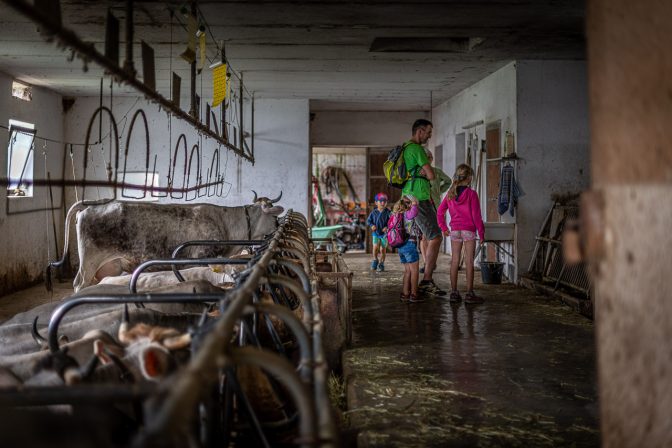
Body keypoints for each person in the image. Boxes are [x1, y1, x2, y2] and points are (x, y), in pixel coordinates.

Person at [401, 119, 446, 297]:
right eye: (428, 132)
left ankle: (410, 287)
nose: (429, 135)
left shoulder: (405, 147)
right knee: (435, 237)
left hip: (408, 196)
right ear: (419, 131)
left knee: (419, 238)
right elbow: (431, 174)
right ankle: (426, 280)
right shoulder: (416, 149)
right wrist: (426, 173)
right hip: (418, 198)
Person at [436, 164, 486, 304]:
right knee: (469, 261)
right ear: (469, 178)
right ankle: (470, 294)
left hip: (455, 231)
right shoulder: (471, 194)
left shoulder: (450, 194)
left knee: (455, 261)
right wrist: (481, 234)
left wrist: (444, 227)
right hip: (468, 230)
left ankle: (454, 293)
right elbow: (476, 216)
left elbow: (440, 212)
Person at [419, 149, 452, 273]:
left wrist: (440, 190)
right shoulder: (421, 173)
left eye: (428, 158)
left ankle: (430, 262)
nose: (427, 160)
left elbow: (449, 181)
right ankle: (427, 262)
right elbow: (448, 181)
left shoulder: (435, 172)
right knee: (425, 237)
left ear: (430, 159)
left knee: (434, 236)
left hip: (434, 207)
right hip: (426, 206)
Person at [392, 195, 424, 303]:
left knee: (407, 271)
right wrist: (414, 203)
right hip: (410, 245)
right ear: (407, 206)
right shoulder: (407, 214)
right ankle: (414, 294)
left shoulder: (396, 216)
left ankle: (405, 294)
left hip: (400, 247)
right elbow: (414, 211)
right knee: (415, 271)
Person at [366, 192, 391, 272]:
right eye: (381, 201)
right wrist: (372, 225)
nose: (383, 203)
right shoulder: (373, 212)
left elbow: (392, 222)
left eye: (385, 201)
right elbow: (368, 221)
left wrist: (387, 227)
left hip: (384, 234)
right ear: (376, 202)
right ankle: (375, 260)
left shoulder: (388, 212)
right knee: (375, 247)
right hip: (376, 233)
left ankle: (381, 263)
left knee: (382, 249)